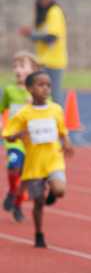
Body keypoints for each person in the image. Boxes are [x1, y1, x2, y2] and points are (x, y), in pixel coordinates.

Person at [2, 71, 73, 248]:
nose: (45, 89)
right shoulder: (24, 114)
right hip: (34, 164)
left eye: (48, 85)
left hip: (54, 159)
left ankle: (53, 193)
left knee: (60, 190)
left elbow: (62, 130)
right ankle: (39, 233)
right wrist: (19, 134)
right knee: (38, 202)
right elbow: (7, 134)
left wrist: (67, 143)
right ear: (30, 89)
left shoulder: (56, 109)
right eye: (41, 85)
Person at [1, 51, 39, 222]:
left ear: (33, 69)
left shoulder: (39, 90)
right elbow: (1, 109)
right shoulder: (9, 90)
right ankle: (11, 191)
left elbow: (49, 110)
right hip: (13, 139)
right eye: (15, 66)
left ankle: (17, 204)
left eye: (22, 66)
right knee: (13, 165)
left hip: (31, 141)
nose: (17, 70)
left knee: (25, 177)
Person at [18, 0, 67, 105]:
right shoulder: (44, 14)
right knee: (41, 95)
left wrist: (31, 34)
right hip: (43, 60)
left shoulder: (54, 11)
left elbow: (51, 37)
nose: (44, 1)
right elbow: (41, 36)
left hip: (54, 61)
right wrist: (31, 35)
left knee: (53, 95)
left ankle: (58, 116)